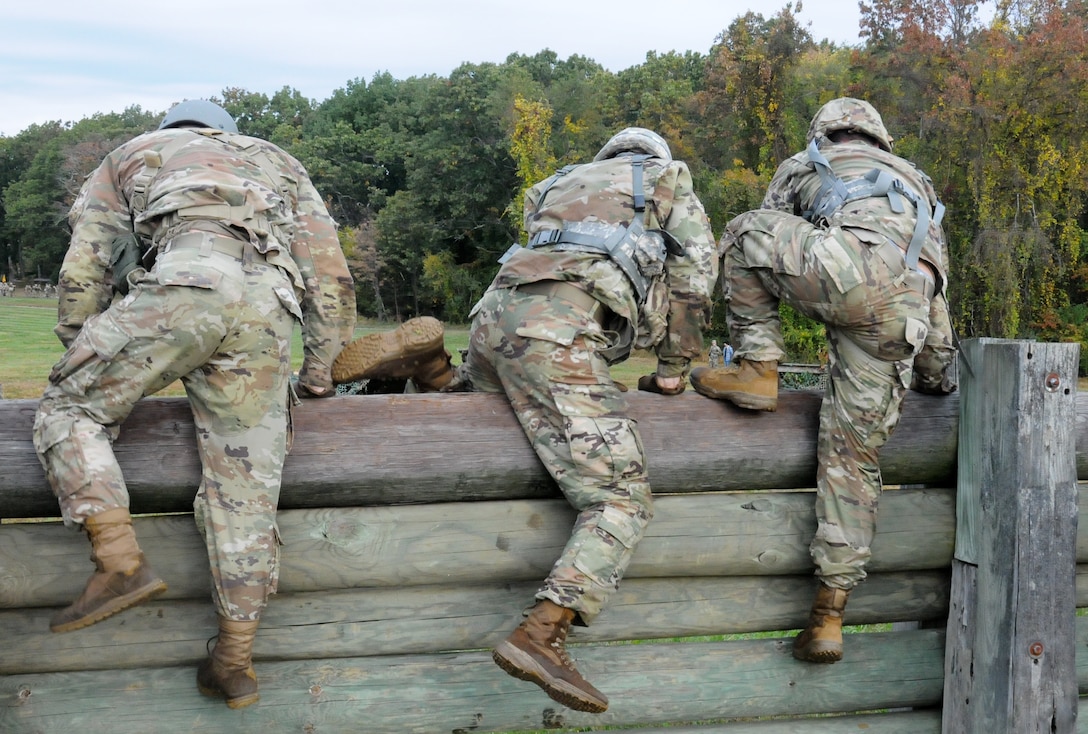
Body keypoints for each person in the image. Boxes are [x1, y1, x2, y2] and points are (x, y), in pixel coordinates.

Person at [332, 127, 717, 712]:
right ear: (654, 159)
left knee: (488, 407)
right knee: (620, 498)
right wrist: (671, 367)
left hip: (496, 316)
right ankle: (542, 634)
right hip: (560, 330)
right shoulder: (669, 180)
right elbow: (695, 278)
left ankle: (434, 364)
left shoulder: (558, 182)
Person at [32, 100, 357, 709]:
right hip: (267, 309)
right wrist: (318, 370)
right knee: (245, 493)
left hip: (184, 284)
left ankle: (119, 561)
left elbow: (86, 263)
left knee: (67, 409)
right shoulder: (279, 161)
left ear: (169, 130)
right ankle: (233, 660)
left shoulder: (131, 153)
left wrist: (84, 348)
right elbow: (330, 276)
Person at [689, 98, 957, 663]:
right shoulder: (921, 187)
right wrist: (935, 376)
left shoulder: (807, 162)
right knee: (852, 464)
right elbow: (935, 288)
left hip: (843, 273)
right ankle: (828, 615)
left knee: (743, 234)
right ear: (879, 136)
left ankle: (759, 368)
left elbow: (772, 239)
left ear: (827, 132)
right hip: (903, 317)